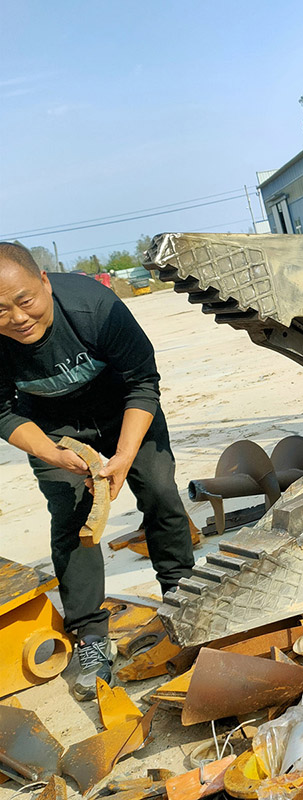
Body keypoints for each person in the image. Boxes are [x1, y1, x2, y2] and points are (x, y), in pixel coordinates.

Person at [0, 242, 194, 700]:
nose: (16, 318)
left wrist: (124, 457)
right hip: (53, 427)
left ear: (44, 282)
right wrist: (51, 453)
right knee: (73, 515)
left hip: (123, 408)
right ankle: (89, 635)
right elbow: (3, 413)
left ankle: (183, 595)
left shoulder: (95, 307)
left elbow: (143, 383)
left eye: (25, 301)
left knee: (159, 490)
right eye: (0, 311)